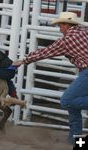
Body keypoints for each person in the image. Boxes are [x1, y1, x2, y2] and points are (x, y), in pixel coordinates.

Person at [14, 12, 88, 144]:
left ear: (66, 25)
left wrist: (24, 60)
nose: (60, 29)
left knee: (67, 101)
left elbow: (46, 52)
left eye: (60, 26)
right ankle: (76, 141)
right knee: (73, 105)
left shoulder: (67, 40)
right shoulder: (84, 31)